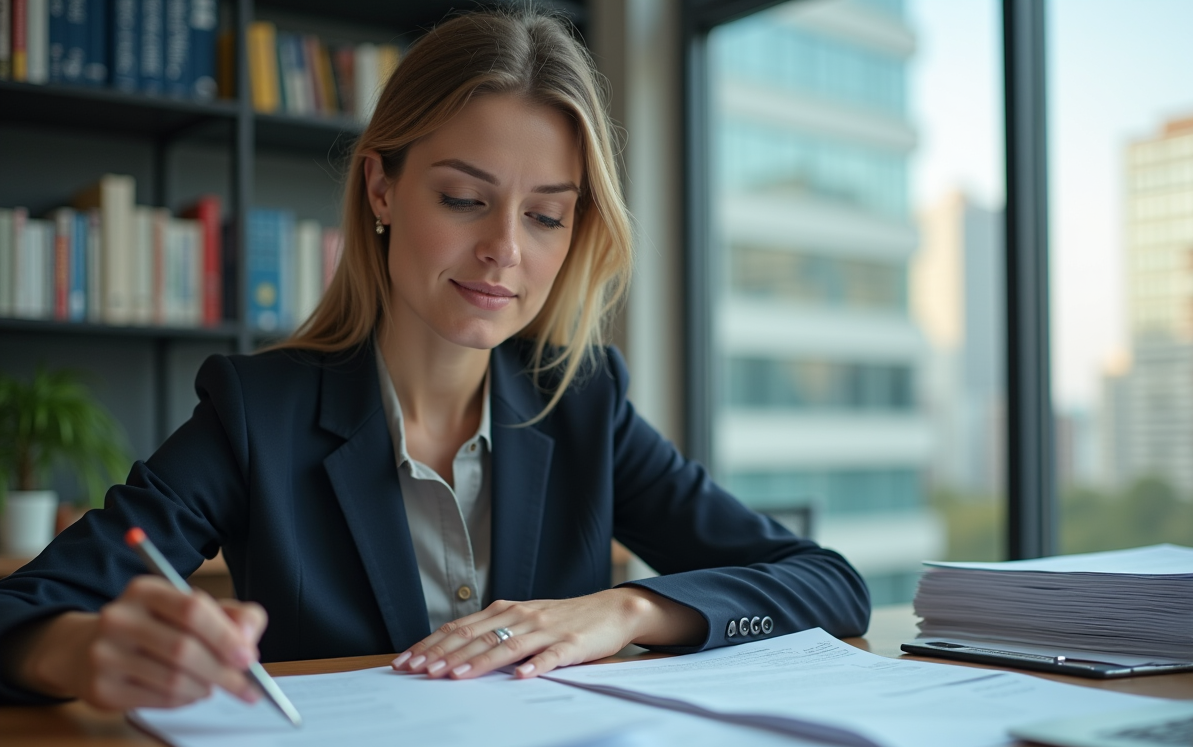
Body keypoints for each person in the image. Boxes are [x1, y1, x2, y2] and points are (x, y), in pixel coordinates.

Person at [0, 9, 869, 711]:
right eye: (464, 199)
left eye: (545, 216)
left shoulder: (582, 401)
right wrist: (84, 649)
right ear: (381, 188)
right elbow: (20, 612)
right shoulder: (254, 412)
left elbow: (828, 585)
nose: (504, 251)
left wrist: (626, 608)